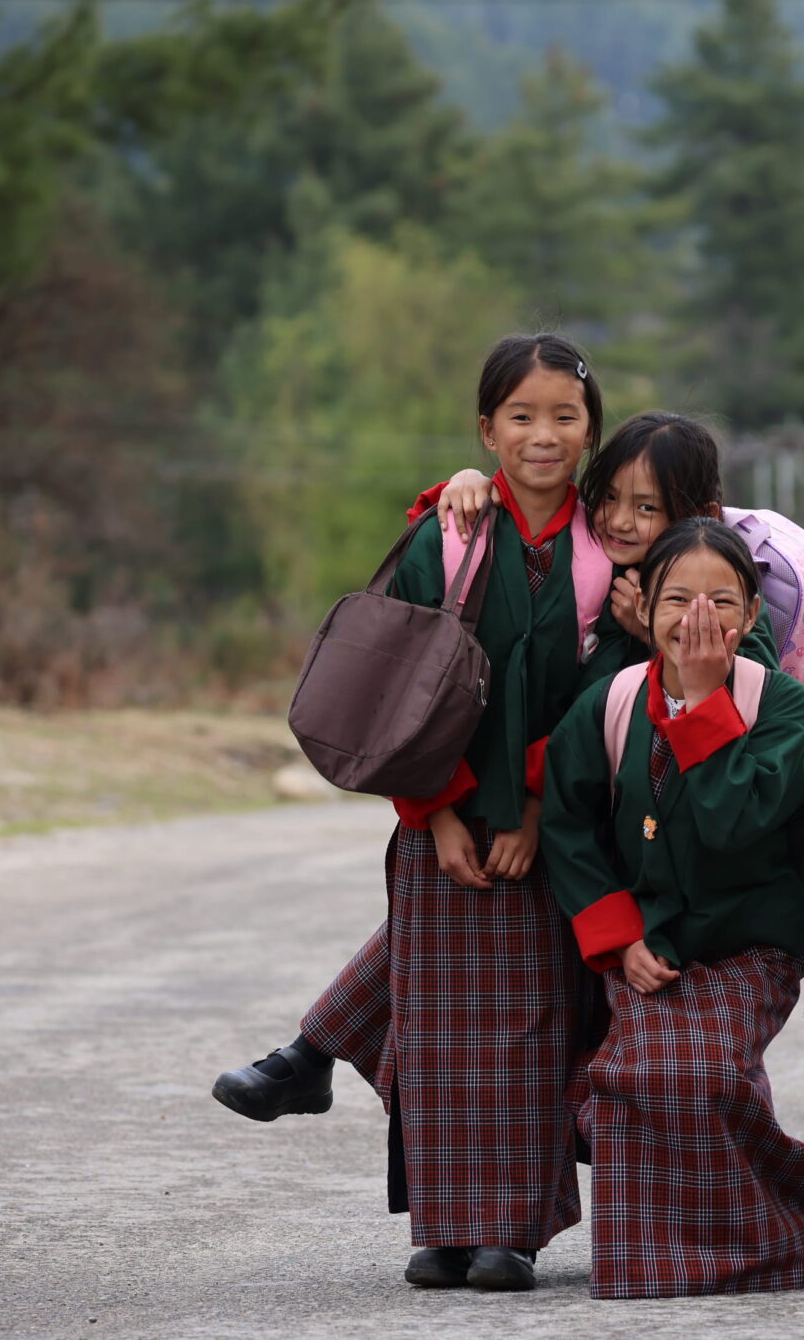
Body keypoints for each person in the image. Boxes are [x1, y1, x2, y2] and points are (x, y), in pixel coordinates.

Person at [211, 415, 777, 1130]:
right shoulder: (595, 565)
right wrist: (464, 486)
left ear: (694, 515)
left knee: (498, 946)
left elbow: (700, 702)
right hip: (576, 803)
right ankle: (310, 1052)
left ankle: (313, 1052)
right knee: (455, 919)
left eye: (648, 507)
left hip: (657, 833)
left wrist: (647, 641)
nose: (622, 521)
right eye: (612, 499)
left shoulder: (708, 595)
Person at [234, 334, 607, 1293]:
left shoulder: (607, 551)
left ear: (591, 431)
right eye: (520, 415)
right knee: (440, 1033)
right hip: (435, 823)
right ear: (487, 429)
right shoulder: (445, 534)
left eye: (565, 415)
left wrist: (528, 809)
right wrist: (436, 814)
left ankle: (512, 1230)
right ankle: (443, 1231)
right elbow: (397, 685)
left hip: (543, 830)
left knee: (523, 1031)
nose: (543, 434)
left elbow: (597, 703)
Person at [541, 518, 804, 1298]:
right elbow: (566, 820)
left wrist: (703, 702)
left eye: (721, 600)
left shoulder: (780, 703)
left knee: (697, 1071)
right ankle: (643, 1262)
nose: (698, 618)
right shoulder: (616, 699)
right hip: (648, 938)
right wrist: (614, 935)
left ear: (754, 616)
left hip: (749, 939)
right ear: (647, 608)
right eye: (678, 598)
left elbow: (736, 827)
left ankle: (764, 1235)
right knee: (633, 1074)